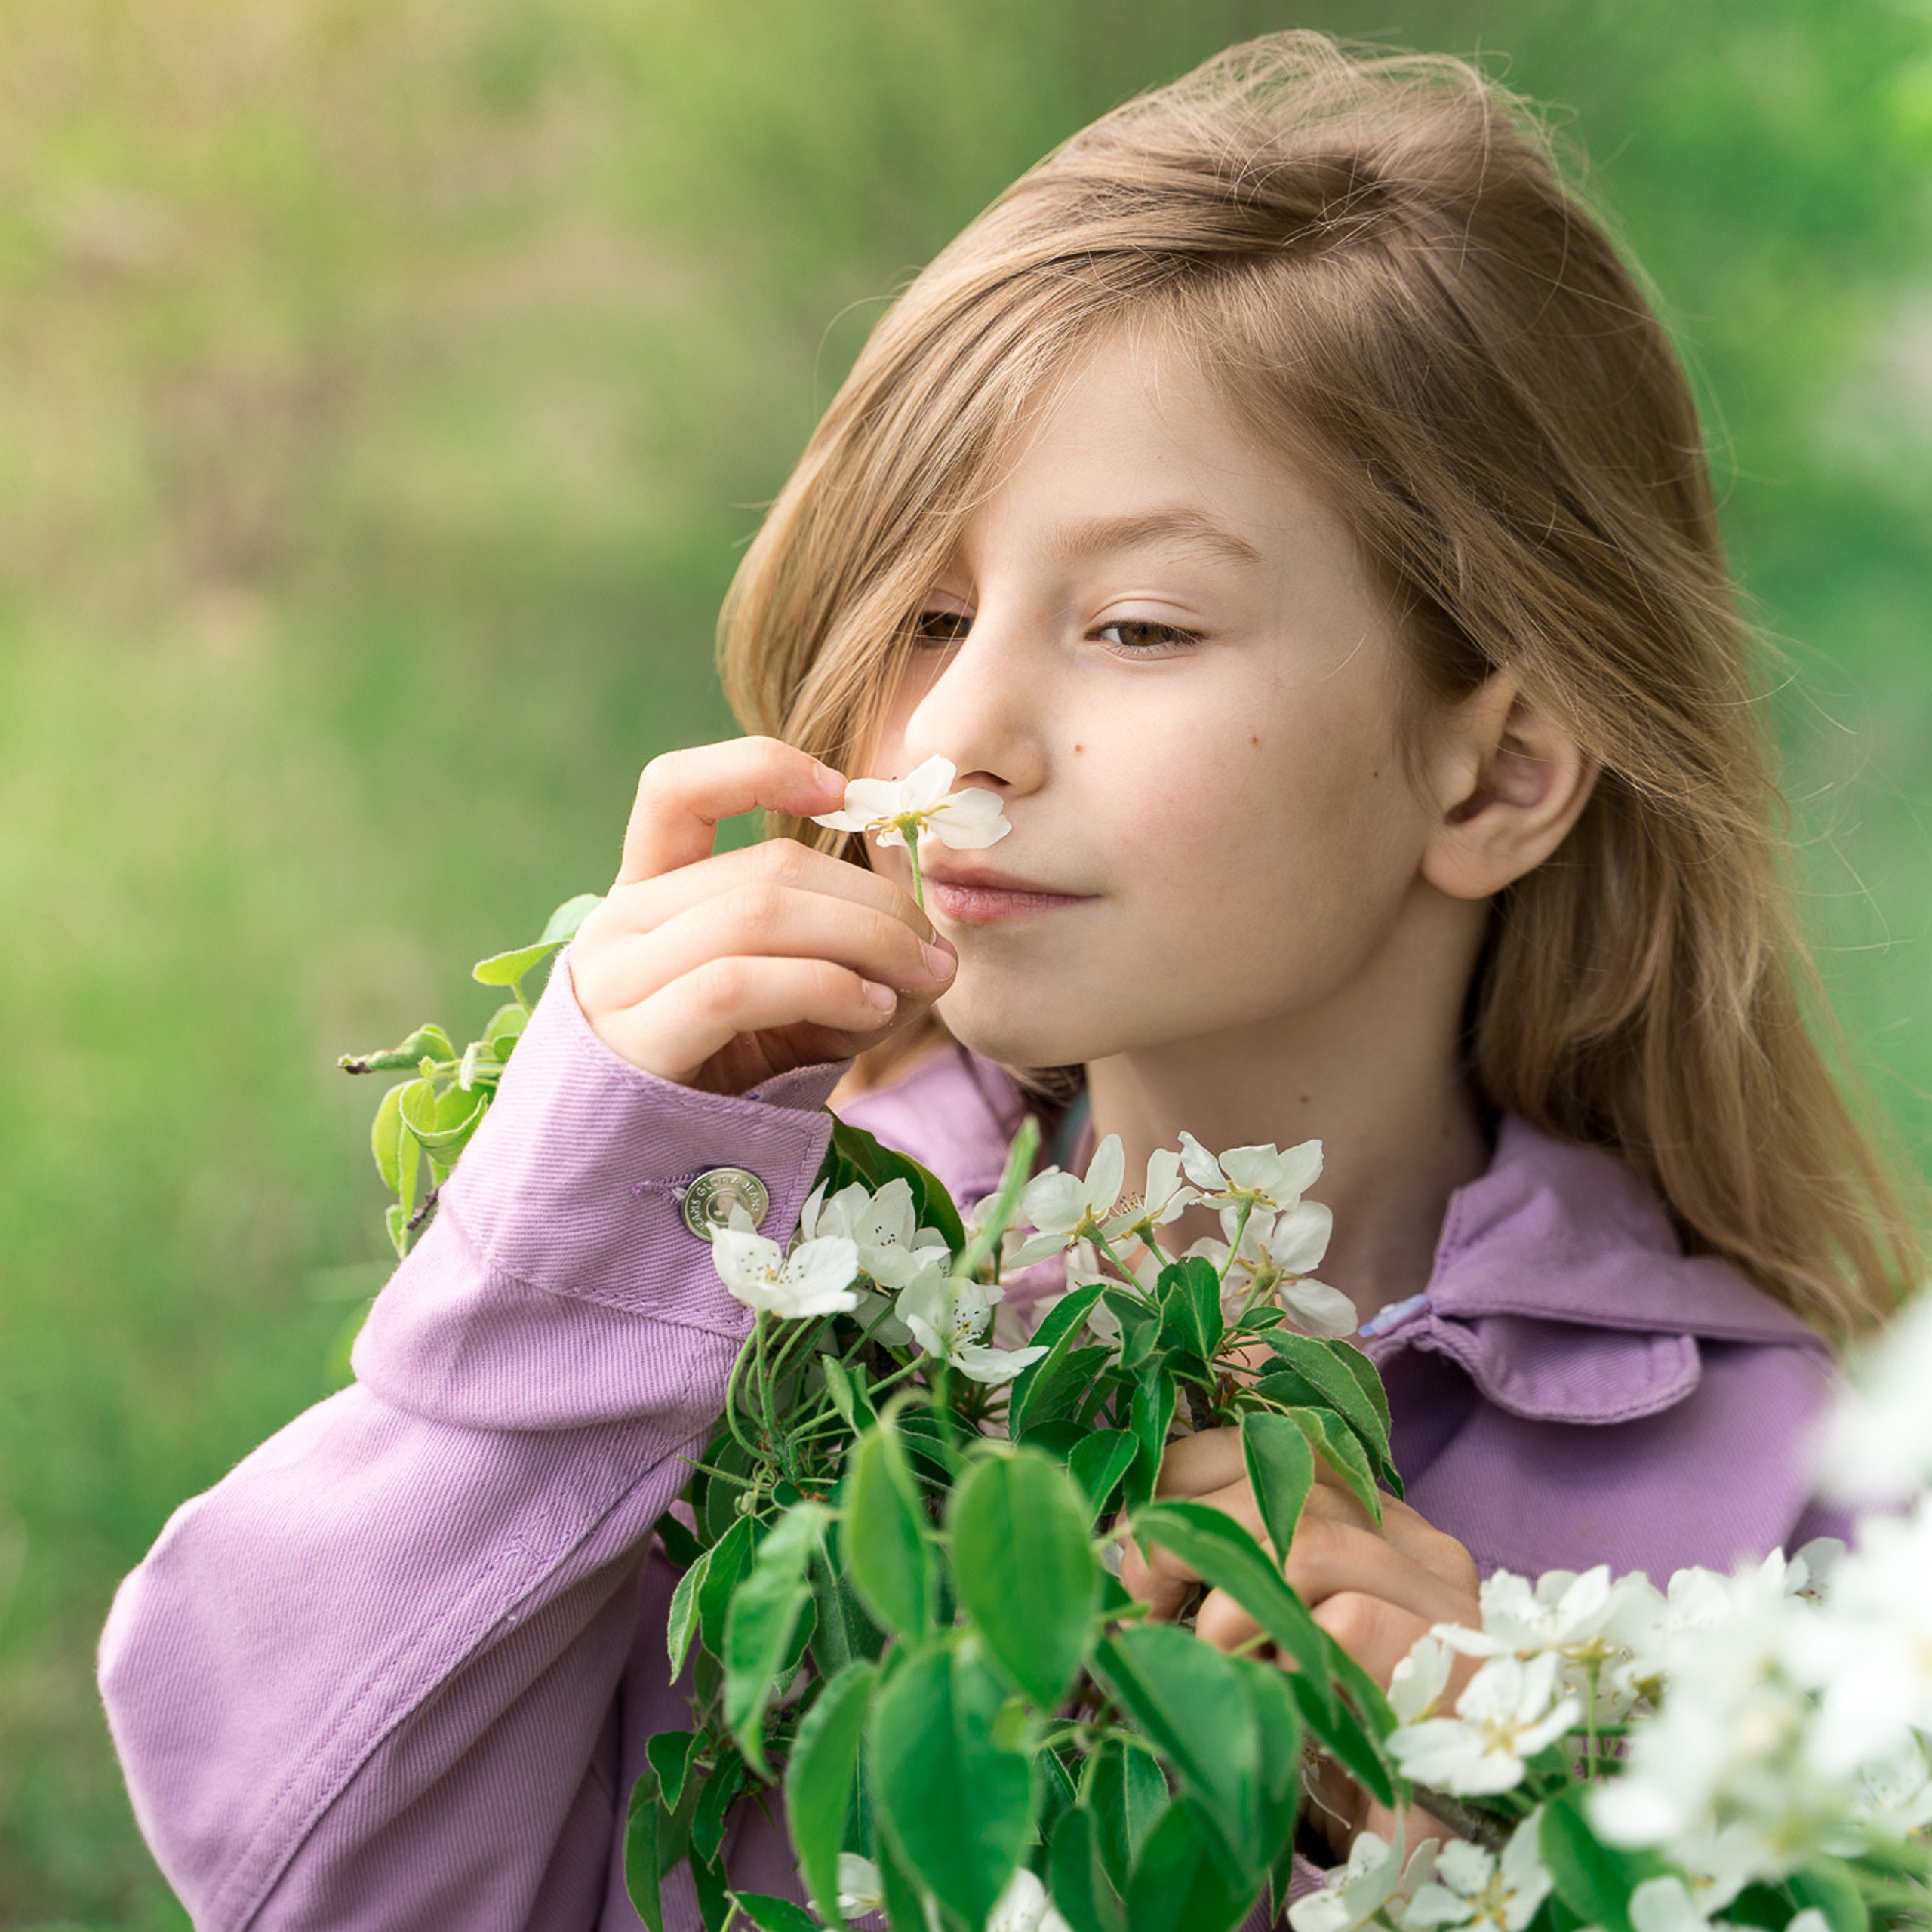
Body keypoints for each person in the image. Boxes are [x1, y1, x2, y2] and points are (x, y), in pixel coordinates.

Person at [99, 31, 1924, 1932]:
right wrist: (560, 1246)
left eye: (1136, 624)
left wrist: (1525, 1826)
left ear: (1495, 769)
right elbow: (297, 1861)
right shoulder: (740, 1317)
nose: (959, 733)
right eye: (926, 613)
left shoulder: (1787, 1496)